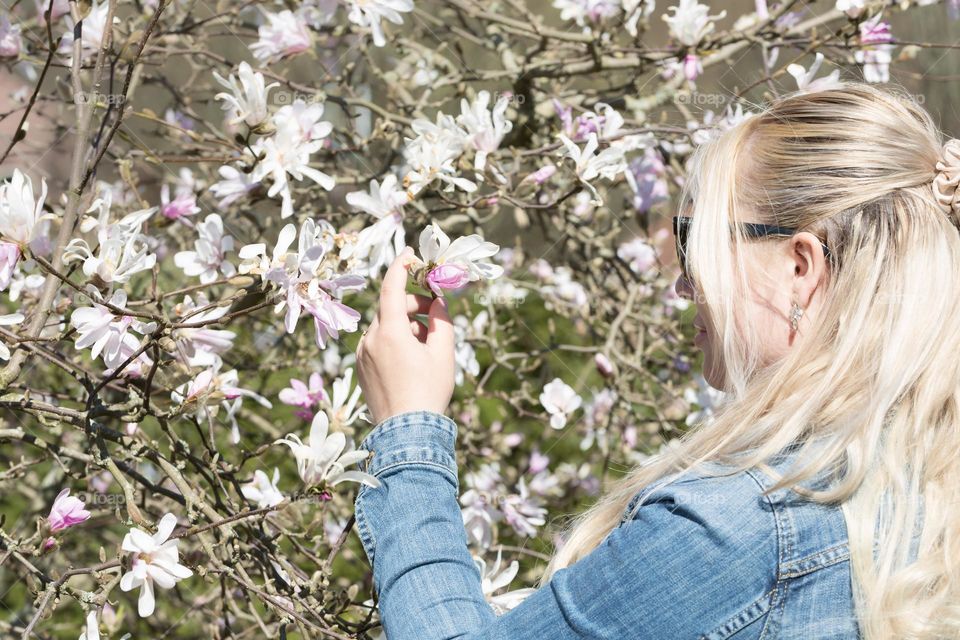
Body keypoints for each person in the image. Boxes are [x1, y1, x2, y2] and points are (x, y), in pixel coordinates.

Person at [352, 81, 960, 639]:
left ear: (800, 268)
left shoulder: (739, 526)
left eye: (695, 240)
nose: (682, 286)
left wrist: (408, 428)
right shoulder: (928, 482)